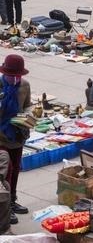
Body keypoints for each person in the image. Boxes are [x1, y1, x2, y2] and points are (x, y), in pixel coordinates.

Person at [0, 55, 30, 225]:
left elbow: (27, 105)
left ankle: (12, 199)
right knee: (7, 169)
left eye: (18, 76)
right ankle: (5, 206)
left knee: (16, 167)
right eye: (12, 76)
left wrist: (28, 116)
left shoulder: (24, 85)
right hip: (1, 135)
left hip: (17, 133)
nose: (15, 79)